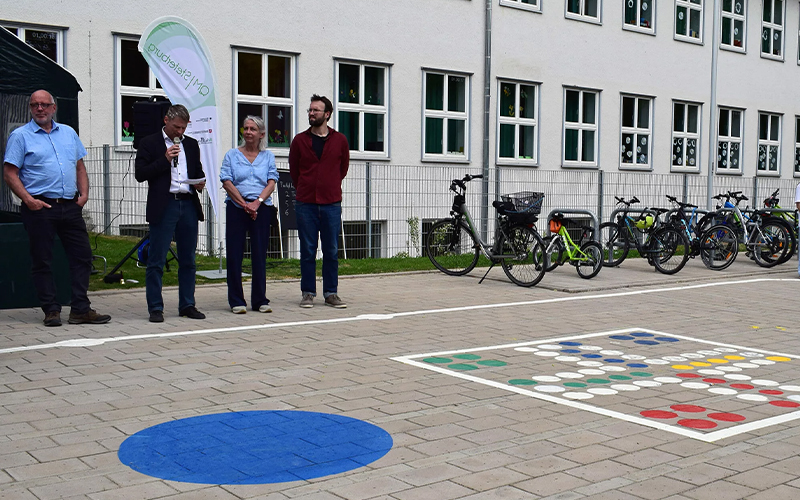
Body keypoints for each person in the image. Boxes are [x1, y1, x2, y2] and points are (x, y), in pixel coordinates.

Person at [2, 90, 111, 327]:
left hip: (69, 206)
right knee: (43, 259)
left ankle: (80, 309)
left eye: (44, 105)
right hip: (40, 206)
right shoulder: (20, 136)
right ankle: (51, 309)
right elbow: (10, 173)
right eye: (35, 105)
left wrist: (84, 195)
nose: (39, 109)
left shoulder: (69, 133)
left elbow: (79, 166)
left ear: (54, 108)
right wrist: (29, 200)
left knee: (82, 256)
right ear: (30, 109)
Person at [134, 104, 206, 323]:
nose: (180, 133)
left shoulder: (191, 145)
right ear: (166, 120)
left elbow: (198, 171)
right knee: (156, 258)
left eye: (184, 128)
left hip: (188, 204)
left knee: (188, 259)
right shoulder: (149, 143)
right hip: (164, 205)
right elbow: (141, 174)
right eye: (177, 128)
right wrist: (164, 159)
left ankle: (187, 304)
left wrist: (200, 182)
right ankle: (155, 307)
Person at [289, 95, 349, 308]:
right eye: (310, 110)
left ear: (327, 114)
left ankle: (331, 293)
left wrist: (328, 184)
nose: (311, 113)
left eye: (316, 110)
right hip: (306, 203)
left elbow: (342, 169)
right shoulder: (299, 140)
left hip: (331, 202)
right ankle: (308, 292)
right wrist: (307, 187)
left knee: (331, 250)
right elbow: (294, 171)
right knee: (308, 249)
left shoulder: (340, 140)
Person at [220, 116, 278, 314]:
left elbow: (272, 181)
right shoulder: (232, 155)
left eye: (253, 129)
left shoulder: (268, 156)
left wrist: (257, 203)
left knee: (260, 254)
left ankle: (260, 299)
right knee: (235, 254)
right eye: (245, 128)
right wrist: (244, 204)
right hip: (237, 207)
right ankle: (236, 300)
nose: (248, 132)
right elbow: (226, 181)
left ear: (261, 134)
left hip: (261, 208)